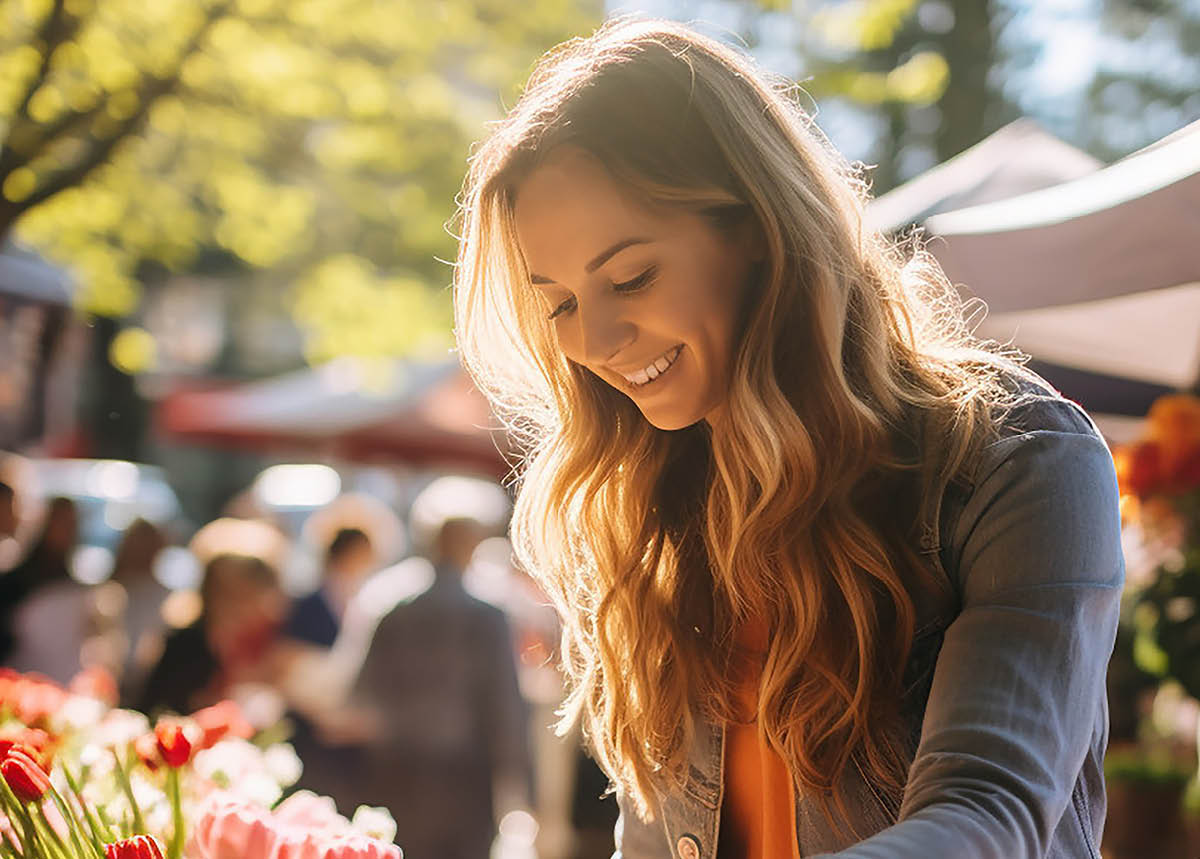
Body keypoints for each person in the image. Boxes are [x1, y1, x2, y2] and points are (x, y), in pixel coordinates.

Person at [451, 17, 1123, 859]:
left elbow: (989, 812)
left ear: (759, 229)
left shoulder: (1018, 460)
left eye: (631, 277)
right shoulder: (651, 514)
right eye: (558, 303)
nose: (595, 341)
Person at [345, 481, 533, 859]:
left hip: (397, 769)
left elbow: (360, 693)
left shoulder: (392, 608)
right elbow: (505, 705)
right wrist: (525, 786)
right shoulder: (487, 615)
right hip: (466, 774)